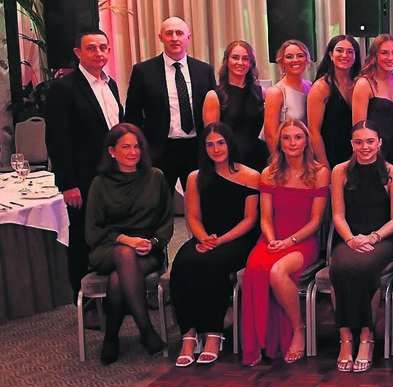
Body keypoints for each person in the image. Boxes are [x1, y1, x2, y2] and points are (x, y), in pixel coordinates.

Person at [241, 119, 330, 366]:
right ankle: (260, 341)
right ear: (279, 143)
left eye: (297, 137)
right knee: (256, 268)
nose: (292, 143)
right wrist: (272, 240)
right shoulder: (269, 173)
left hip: (303, 241)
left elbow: (315, 222)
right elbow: (266, 218)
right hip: (272, 238)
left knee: (278, 272)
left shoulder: (320, 172)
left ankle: (298, 330)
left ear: (306, 141)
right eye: (286, 138)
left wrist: (289, 241)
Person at [170, 123, 260, 367]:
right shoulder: (195, 177)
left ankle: (213, 333)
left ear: (230, 143)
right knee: (183, 263)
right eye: (209, 144)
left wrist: (219, 241)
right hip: (205, 237)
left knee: (212, 264)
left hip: (237, 239)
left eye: (220, 142)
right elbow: (194, 218)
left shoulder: (251, 176)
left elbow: (250, 219)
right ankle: (189, 335)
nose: (216, 148)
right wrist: (203, 239)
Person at [85, 124, 174, 364]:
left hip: (147, 251)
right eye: (126, 147)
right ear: (112, 151)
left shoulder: (155, 177)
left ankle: (111, 337)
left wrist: (153, 242)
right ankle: (146, 330)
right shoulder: (100, 183)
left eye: (137, 146)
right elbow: (93, 230)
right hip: (108, 249)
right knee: (124, 254)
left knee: (117, 280)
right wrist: (124, 239)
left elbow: (166, 223)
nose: (133, 152)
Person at [45, 29, 122, 299]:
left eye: (103, 48)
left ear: (109, 51)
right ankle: (85, 300)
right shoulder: (64, 88)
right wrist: (68, 184)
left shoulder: (110, 85)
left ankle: (115, 294)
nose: (98, 53)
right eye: (91, 48)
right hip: (83, 179)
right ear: (78, 52)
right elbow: (57, 140)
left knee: (109, 235)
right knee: (81, 239)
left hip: (112, 177)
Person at [329, 121, 393, 373]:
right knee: (338, 268)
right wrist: (351, 239)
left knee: (363, 269)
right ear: (352, 144)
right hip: (349, 239)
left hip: (382, 241)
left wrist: (372, 237)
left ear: (379, 142)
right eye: (359, 142)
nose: (365, 147)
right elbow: (338, 215)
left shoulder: (392, 172)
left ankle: (365, 337)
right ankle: (345, 339)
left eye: (370, 141)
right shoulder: (340, 171)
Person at [125, 17, 216, 191]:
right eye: (169, 33)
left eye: (179, 33)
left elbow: (214, 111)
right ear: (161, 37)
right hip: (159, 151)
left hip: (196, 149)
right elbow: (132, 116)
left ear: (188, 38)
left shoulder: (204, 70)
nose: (174, 38)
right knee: (157, 205)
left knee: (201, 202)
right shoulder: (143, 71)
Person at [202, 40, 269, 170]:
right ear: (227, 61)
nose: (240, 62)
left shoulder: (262, 93)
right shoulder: (214, 96)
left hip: (258, 159)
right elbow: (211, 138)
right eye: (235, 58)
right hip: (228, 162)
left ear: (250, 63)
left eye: (245, 58)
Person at [351, 35, 393, 172]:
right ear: (374, 55)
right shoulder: (364, 84)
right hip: (373, 155)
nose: (390, 58)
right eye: (384, 53)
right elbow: (358, 128)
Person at [311, 35, 362, 168]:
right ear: (330, 54)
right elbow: (313, 131)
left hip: (358, 154)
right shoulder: (321, 87)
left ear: (355, 56)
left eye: (350, 52)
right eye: (339, 50)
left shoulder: (360, 83)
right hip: (330, 155)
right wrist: (324, 165)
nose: (345, 55)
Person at [265, 40, 313, 160]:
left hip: (307, 156)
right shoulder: (276, 92)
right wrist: (279, 162)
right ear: (282, 63)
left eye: (300, 56)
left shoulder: (310, 87)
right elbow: (270, 134)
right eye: (289, 57)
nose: (295, 60)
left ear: (307, 60)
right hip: (285, 159)